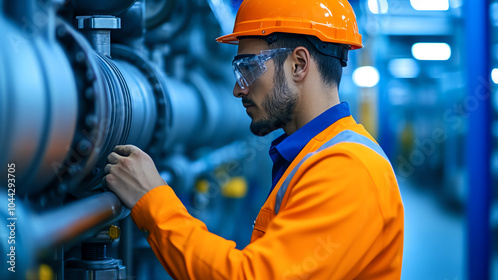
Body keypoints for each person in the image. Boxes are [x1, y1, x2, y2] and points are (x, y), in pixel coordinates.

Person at [104, 0, 405, 279]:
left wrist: (152, 200)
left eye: (247, 67)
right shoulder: (314, 157)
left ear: (298, 64)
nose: (238, 89)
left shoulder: (347, 171)